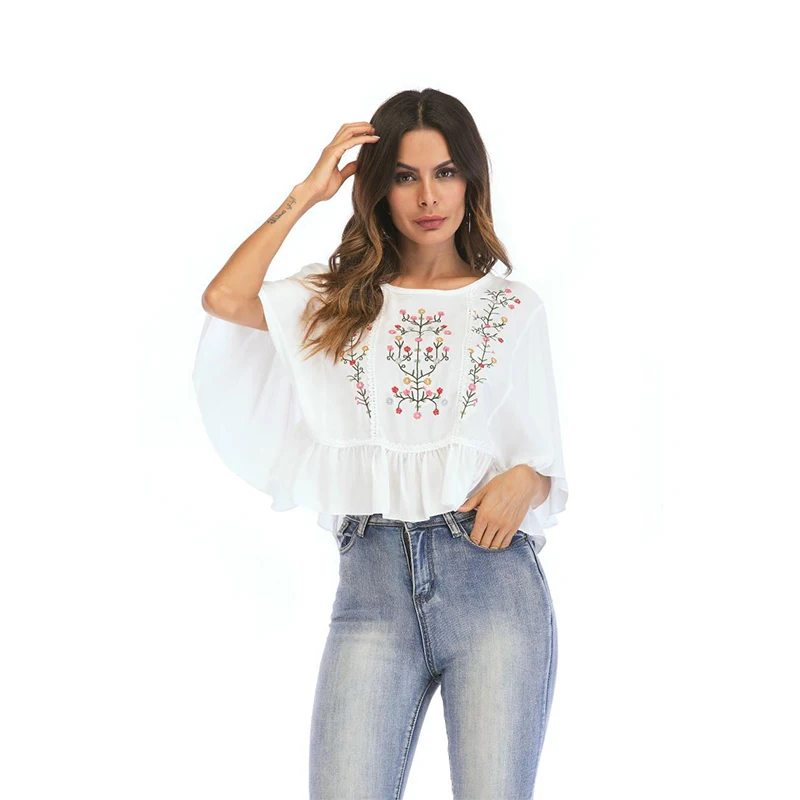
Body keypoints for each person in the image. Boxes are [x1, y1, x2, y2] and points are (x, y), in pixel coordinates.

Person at [192, 88, 568, 799]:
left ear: (471, 180)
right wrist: (306, 194)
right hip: (371, 592)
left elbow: (542, 459)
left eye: (445, 172)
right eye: (404, 175)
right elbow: (225, 298)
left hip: (493, 589)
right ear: (377, 189)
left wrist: (528, 479)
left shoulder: (513, 308)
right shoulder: (337, 301)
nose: (428, 196)